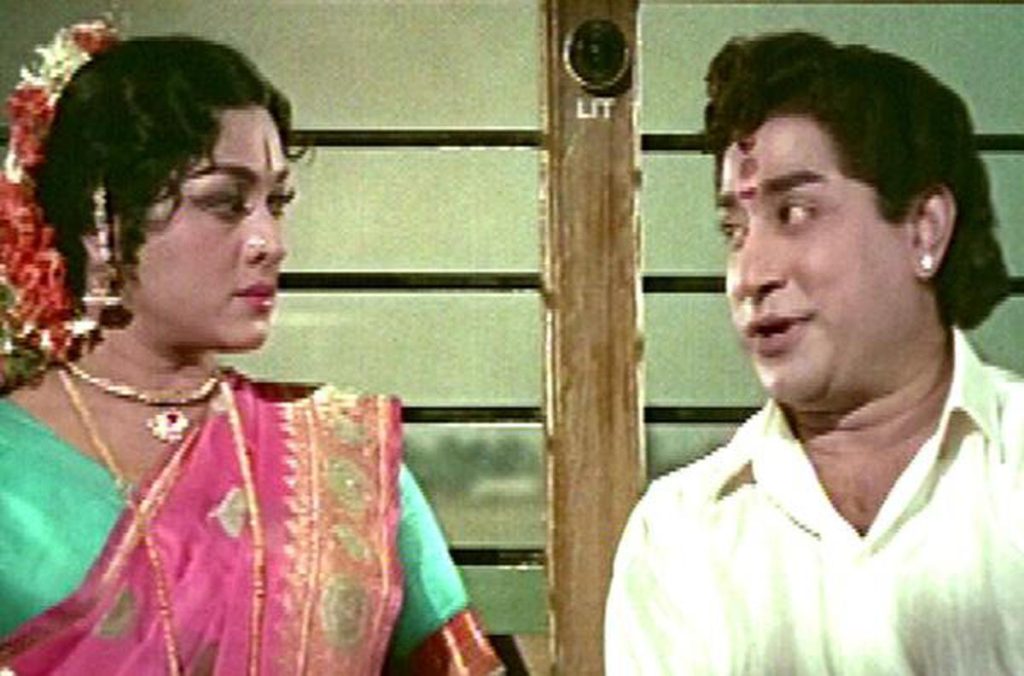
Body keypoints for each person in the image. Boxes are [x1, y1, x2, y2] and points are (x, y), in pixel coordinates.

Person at [0, 20, 503, 675]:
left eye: (277, 202)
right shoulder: (13, 466)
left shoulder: (343, 461)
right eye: (225, 203)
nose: (271, 242)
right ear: (104, 222)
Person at [606, 31, 1023, 674]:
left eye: (795, 212)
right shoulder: (680, 537)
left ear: (924, 229)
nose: (751, 275)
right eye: (734, 230)